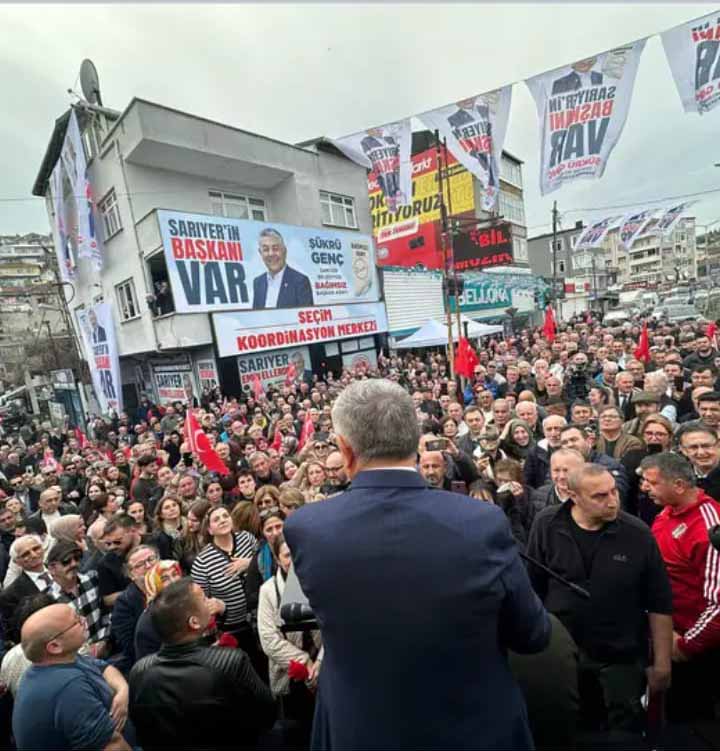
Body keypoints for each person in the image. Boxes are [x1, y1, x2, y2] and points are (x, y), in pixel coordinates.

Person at [284, 379, 550, 750]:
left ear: (345, 450)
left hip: (361, 730)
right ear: (416, 442)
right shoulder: (480, 522)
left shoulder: (307, 528)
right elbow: (533, 634)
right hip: (474, 728)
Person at [527, 464, 673, 731]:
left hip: (621, 657)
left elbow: (659, 601)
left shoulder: (637, 534)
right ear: (573, 496)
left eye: (614, 492)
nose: (612, 501)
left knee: (624, 730)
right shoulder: (546, 524)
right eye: (600, 496)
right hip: (562, 655)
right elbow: (533, 588)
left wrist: (662, 664)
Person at [128, 578, 276, 751]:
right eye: (204, 599)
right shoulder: (229, 662)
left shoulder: (139, 671)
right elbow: (268, 716)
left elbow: (142, 732)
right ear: (194, 622)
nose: (211, 602)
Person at [641, 452, 720, 722]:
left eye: (652, 483)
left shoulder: (708, 527)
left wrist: (686, 645)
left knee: (695, 725)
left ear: (678, 485)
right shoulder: (666, 513)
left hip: (696, 649)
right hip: (667, 637)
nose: (644, 488)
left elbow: (718, 603)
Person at [12, 602, 132, 751]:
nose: (84, 620)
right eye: (76, 622)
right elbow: (112, 746)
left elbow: (104, 668)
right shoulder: (67, 687)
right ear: (55, 646)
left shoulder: (66, 658)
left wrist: (122, 690)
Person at [258, 534, 320, 746]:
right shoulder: (268, 591)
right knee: (297, 734)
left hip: (324, 671)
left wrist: (319, 662)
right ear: (277, 559)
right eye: (286, 555)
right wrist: (305, 662)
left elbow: (334, 627)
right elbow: (269, 639)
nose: (292, 560)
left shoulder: (319, 581)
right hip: (290, 676)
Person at [191, 506, 258, 650]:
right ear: (209, 529)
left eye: (225, 516)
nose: (222, 520)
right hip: (230, 628)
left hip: (260, 616)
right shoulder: (202, 561)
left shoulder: (247, 538)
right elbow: (201, 599)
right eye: (216, 519)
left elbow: (266, 562)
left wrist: (249, 563)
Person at [47, 539, 111, 655]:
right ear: (52, 569)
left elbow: (106, 613)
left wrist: (103, 642)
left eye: (76, 559)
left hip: (106, 648)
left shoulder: (92, 579)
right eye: (66, 561)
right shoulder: (49, 600)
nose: (74, 564)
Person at [110, 545, 159, 673]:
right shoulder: (124, 603)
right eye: (140, 565)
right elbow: (131, 647)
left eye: (151, 559)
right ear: (131, 574)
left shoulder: (172, 586)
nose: (148, 566)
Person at [0, 534, 54, 642]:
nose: (33, 555)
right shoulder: (10, 595)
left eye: (36, 548)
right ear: (16, 562)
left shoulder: (60, 569)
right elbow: (16, 633)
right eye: (25, 554)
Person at [252, 228, 313, 309]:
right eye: (266, 249)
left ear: (284, 251)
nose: (271, 254)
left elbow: (305, 316)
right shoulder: (258, 282)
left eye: (275, 248)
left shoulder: (300, 281)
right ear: (260, 253)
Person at [676, 422, 720, 501]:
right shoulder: (678, 478)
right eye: (693, 447)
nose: (701, 452)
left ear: (718, 445)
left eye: (706, 446)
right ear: (683, 450)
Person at [523, 415, 567, 489]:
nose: (553, 433)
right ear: (544, 432)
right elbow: (528, 482)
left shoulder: (574, 449)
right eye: (549, 429)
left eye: (557, 428)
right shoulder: (534, 452)